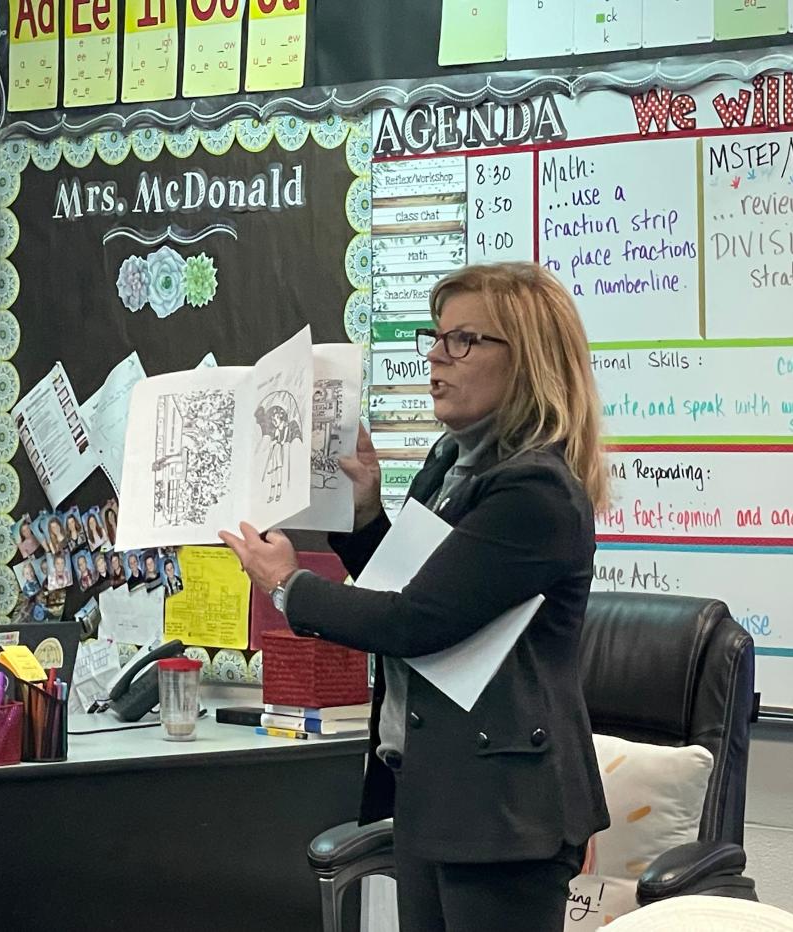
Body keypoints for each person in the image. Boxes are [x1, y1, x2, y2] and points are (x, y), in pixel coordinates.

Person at [220, 262, 610, 932]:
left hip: (502, 812)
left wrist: (288, 586)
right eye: (434, 337)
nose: (435, 356)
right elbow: (421, 590)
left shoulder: (534, 493)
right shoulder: (452, 463)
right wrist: (369, 516)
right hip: (437, 790)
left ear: (528, 359)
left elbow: (414, 621)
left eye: (462, 340)